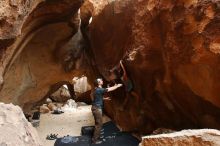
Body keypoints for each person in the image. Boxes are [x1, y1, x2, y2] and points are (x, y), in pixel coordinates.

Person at [91, 78, 122, 144]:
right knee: (99, 124)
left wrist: (105, 98)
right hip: (97, 109)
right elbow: (109, 89)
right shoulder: (99, 89)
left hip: (95, 108)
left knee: (98, 123)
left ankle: (97, 136)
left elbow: (98, 97)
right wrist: (117, 86)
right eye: (100, 80)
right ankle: (95, 140)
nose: (102, 81)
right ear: (98, 83)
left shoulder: (97, 90)